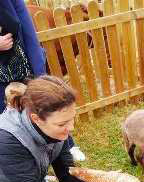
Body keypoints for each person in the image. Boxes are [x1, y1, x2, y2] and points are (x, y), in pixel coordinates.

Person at [0, 75, 125, 182]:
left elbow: (67, 173)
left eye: (72, 118)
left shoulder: (56, 125)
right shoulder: (7, 138)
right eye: (62, 124)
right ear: (36, 119)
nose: (71, 128)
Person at [0, 0, 86, 161]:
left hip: (22, 64)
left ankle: (67, 146)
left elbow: (27, 30)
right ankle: (28, 159)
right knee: (8, 119)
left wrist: (38, 71)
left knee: (47, 104)